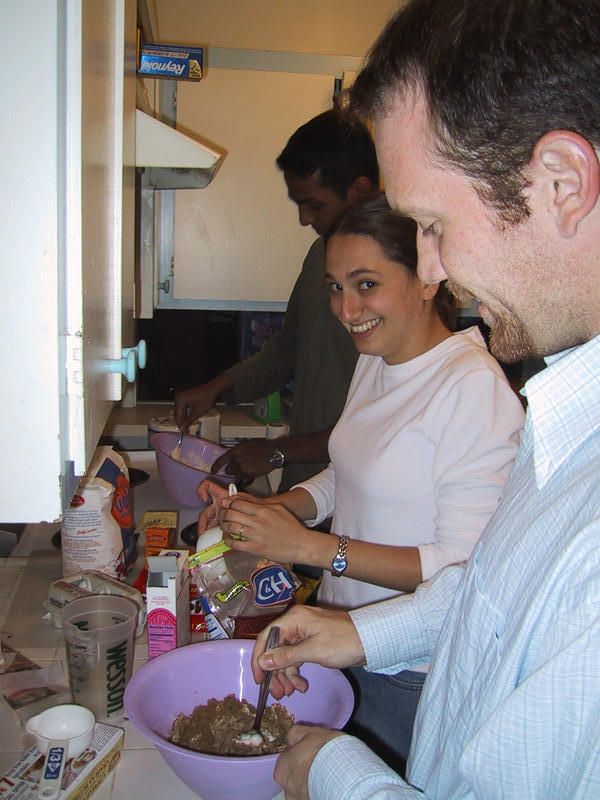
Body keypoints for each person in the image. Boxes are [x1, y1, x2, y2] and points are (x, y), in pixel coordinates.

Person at [246, 0, 600, 798]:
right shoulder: (563, 422)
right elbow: (486, 594)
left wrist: (334, 769)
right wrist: (352, 633)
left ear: (563, 184)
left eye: (432, 224)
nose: (432, 271)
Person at [198, 192, 524, 771]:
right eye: (335, 287)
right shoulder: (376, 359)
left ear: (428, 278)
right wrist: (266, 514)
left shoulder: (472, 388)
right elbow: (344, 474)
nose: (346, 309)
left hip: (411, 673)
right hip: (341, 635)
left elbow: (460, 569)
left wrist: (309, 548)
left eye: (366, 284)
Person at [174, 110, 379, 493]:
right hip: (306, 487)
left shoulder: (399, 275)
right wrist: (218, 387)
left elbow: (386, 421)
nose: (303, 219)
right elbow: (288, 349)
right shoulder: (321, 256)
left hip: (359, 496)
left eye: (314, 204)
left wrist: (275, 452)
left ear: (359, 191)